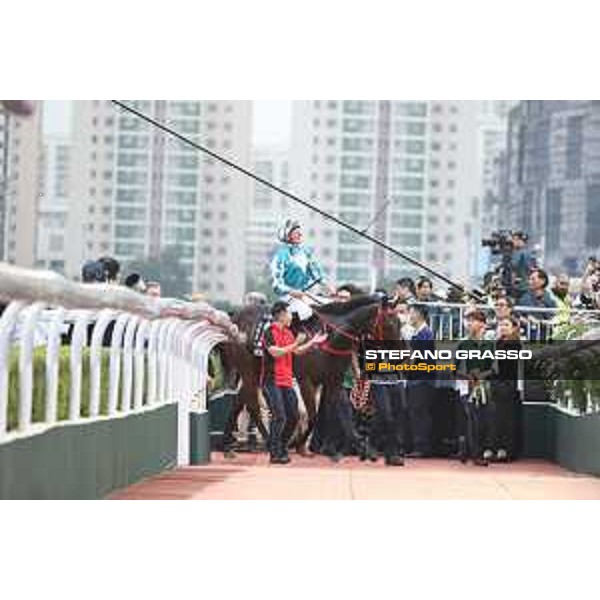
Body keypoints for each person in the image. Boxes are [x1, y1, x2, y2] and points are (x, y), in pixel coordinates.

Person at [261, 301, 326, 464]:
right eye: (289, 313)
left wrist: (312, 342)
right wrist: (296, 342)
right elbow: (275, 352)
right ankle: (274, 452)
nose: (291, 317)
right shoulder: (269, 331)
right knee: (279, 417)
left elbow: (296, 351)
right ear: (281, 314)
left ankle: (281, 446)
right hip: (271, 381)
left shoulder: (289, 333)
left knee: (294, 416)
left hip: (287, 381)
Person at [270, 219, 335, 326]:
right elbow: (277, 285)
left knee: (330, 305)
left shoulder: (305, 252)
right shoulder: (281, 255)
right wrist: (292, 291)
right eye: (296, 232)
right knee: (307, 311)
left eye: (300, 232)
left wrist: (328, 287)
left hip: (304, 295)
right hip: (287, 298)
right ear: (288, 235)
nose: (300, 234)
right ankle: (297, 337)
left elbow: (317, 275)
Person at [454, 310, 495, 465]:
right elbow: (455, 369)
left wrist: (482, 376)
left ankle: (466, 448)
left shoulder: (490, 345)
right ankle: (475, 454)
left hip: (484, 388)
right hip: (466, 388)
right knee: (473, 419)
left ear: (483, 324)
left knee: (484, 420)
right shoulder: (462, 344)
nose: (469, 324)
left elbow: (494, 368)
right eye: (468, 321)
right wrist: (469, 378)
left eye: (473, 320)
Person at [488, 316, 522, 462]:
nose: (502, 327)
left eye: (506, 325)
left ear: (514, 328)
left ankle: (506, 450)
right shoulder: (497, 343)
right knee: (495, 419)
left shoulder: (516, 344)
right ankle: (494, 448)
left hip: (509, 385)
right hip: (496, 384)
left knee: (507, 419)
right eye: (501, 324)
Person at [405, 304, 435, 457]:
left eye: (411, 312)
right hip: (417, 378)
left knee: (419, 413)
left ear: (419, 315)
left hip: (422, 379)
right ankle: (418, 445)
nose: (409, 316)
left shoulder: (425, 333)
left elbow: (416, 357)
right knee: (416, 412)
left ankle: (421, 446)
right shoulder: (418, 333)